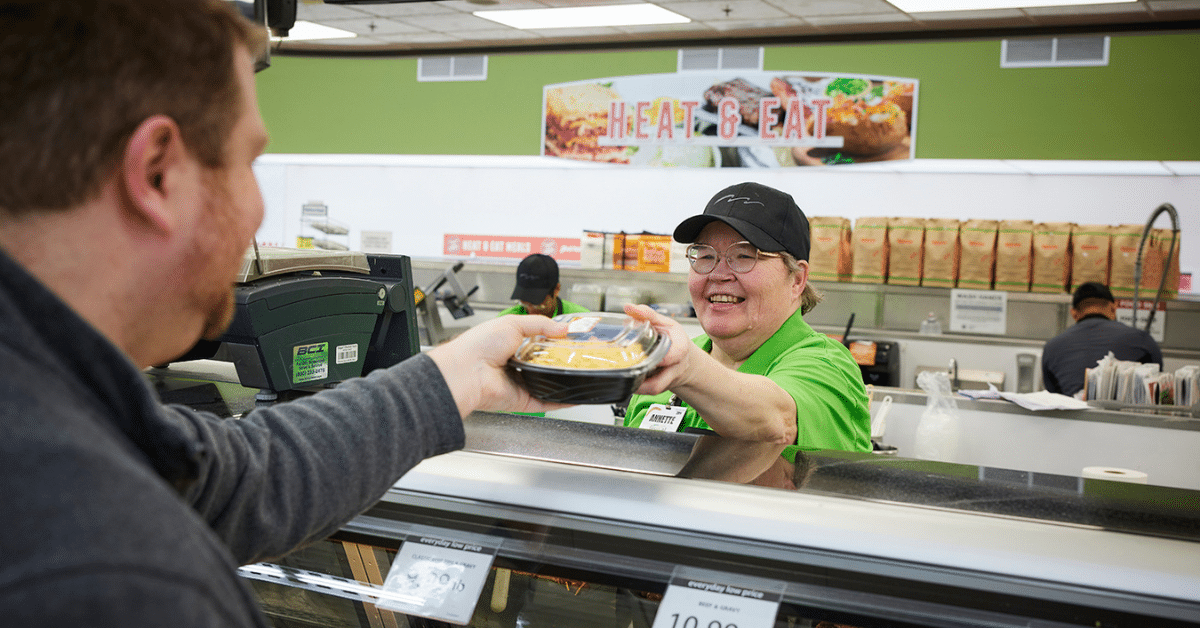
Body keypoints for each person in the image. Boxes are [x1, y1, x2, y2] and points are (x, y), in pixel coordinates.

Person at [0, 2, 565, 625]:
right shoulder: (119, 578)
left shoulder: (46, 398)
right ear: (157, 174)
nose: (259, 211)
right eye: (248, 161)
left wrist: (459, 374)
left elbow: (238, 479)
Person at [622, 182, 871, 469]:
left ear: (797, 279)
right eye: (705, 256)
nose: (718, 274)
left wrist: (686, 368)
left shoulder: (827, 364)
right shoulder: (674, 362)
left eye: (744, 256)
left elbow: (777, 422)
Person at [1041, 281, 1163, 397]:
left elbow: (1054, 396)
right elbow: (1156, 386)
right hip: (1123, 418)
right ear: (1113, 308)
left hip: (1071, 417)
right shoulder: (1142, 340)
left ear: (1074, 313)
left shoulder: (1051, 347)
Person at [498, 252, 590, 317]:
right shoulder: (507, 319)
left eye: (537, 305)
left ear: (556, 290)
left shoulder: (579, 318)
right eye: (524, 303)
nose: (531, 311)